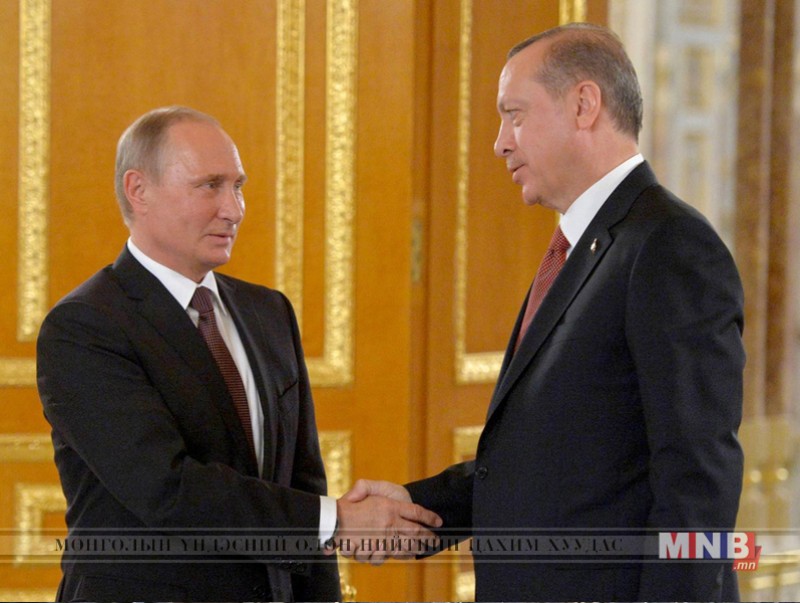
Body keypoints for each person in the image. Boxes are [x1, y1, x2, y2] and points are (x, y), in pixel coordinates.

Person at [342, 23, 745, 602]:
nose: (500, 143)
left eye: (515, 115)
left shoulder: (670, 246)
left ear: (584, 105)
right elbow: (559, 458)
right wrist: (419, 507)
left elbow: (697, 480)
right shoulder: (584, 246)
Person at [37, 106, 441, 602]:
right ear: (138, 190)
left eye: (238, 186)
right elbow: (167, 489)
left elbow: (302, 483)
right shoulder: (84, 326)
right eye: (210, 186)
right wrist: (337, 520)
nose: (233, 209)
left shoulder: (268, 312)